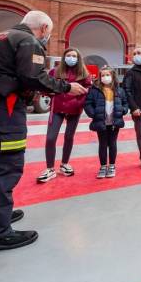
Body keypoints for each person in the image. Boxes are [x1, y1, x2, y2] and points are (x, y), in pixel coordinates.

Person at [0, 10, 88, 255]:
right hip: (2, 106)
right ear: (43, 27)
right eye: (48, 32)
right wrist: (65, 87)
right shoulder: (28, 41)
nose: (47, 37)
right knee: (6, 164)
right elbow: (33, 77)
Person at [37, 48, 92, 183]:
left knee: (69, 137)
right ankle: (50, 168)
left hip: (75, 109)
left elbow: (88, 90)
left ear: (78, 58)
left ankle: (64, 164)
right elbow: (46, 86)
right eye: (68, 55)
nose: (71, 58)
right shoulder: (54, 71)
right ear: (63, 57)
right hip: (57, 109)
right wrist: (54, 94)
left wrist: (79, 100)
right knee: (51, 138)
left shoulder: (84, 73)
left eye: (74, 56)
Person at [84, 67, 128, 178]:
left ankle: (112, 165)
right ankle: (103, 166)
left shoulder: (119, 90)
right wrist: (93, 114)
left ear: (112, 76)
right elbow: (88, 104)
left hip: (115, 121)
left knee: (112, 143)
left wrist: (123, 110)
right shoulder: (94, 90)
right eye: (102, 75)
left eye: (107, 75)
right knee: (102, 144)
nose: (105, 77)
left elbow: (125, 103)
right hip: (100, 121)